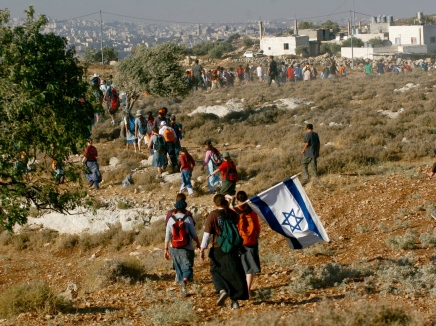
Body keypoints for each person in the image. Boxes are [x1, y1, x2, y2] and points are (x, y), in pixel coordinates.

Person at [199, 194, 249, 309]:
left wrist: (202, 249)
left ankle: (222, 290)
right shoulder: (231, 213)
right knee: (234, 273)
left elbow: (207, 235)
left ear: (215, 204)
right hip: (233, 247)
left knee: (215, 270)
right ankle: (235, 302)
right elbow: (237, 221)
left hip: (218, 248)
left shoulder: (213, 214)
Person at [164, 200, 200, 297]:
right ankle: (184, 281)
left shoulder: (170, 220)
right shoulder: (188, 218)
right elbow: (193, 234)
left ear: (175, 208)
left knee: (178, 268)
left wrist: (166, 249)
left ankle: (182, 289)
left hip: (174, 248)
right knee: (188, 267)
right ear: (185, 208)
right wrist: (198, 243)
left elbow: (167, 236)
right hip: (187, 247)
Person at [232, 191, 261, 296]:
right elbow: (257, 227)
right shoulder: (251, 211)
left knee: (239, 266)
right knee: (249, 267)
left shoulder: (234, 211)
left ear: (237, 199)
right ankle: (248, 290)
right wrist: (256, 236)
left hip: (239, 241)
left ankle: (240, 288)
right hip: (251, 241)